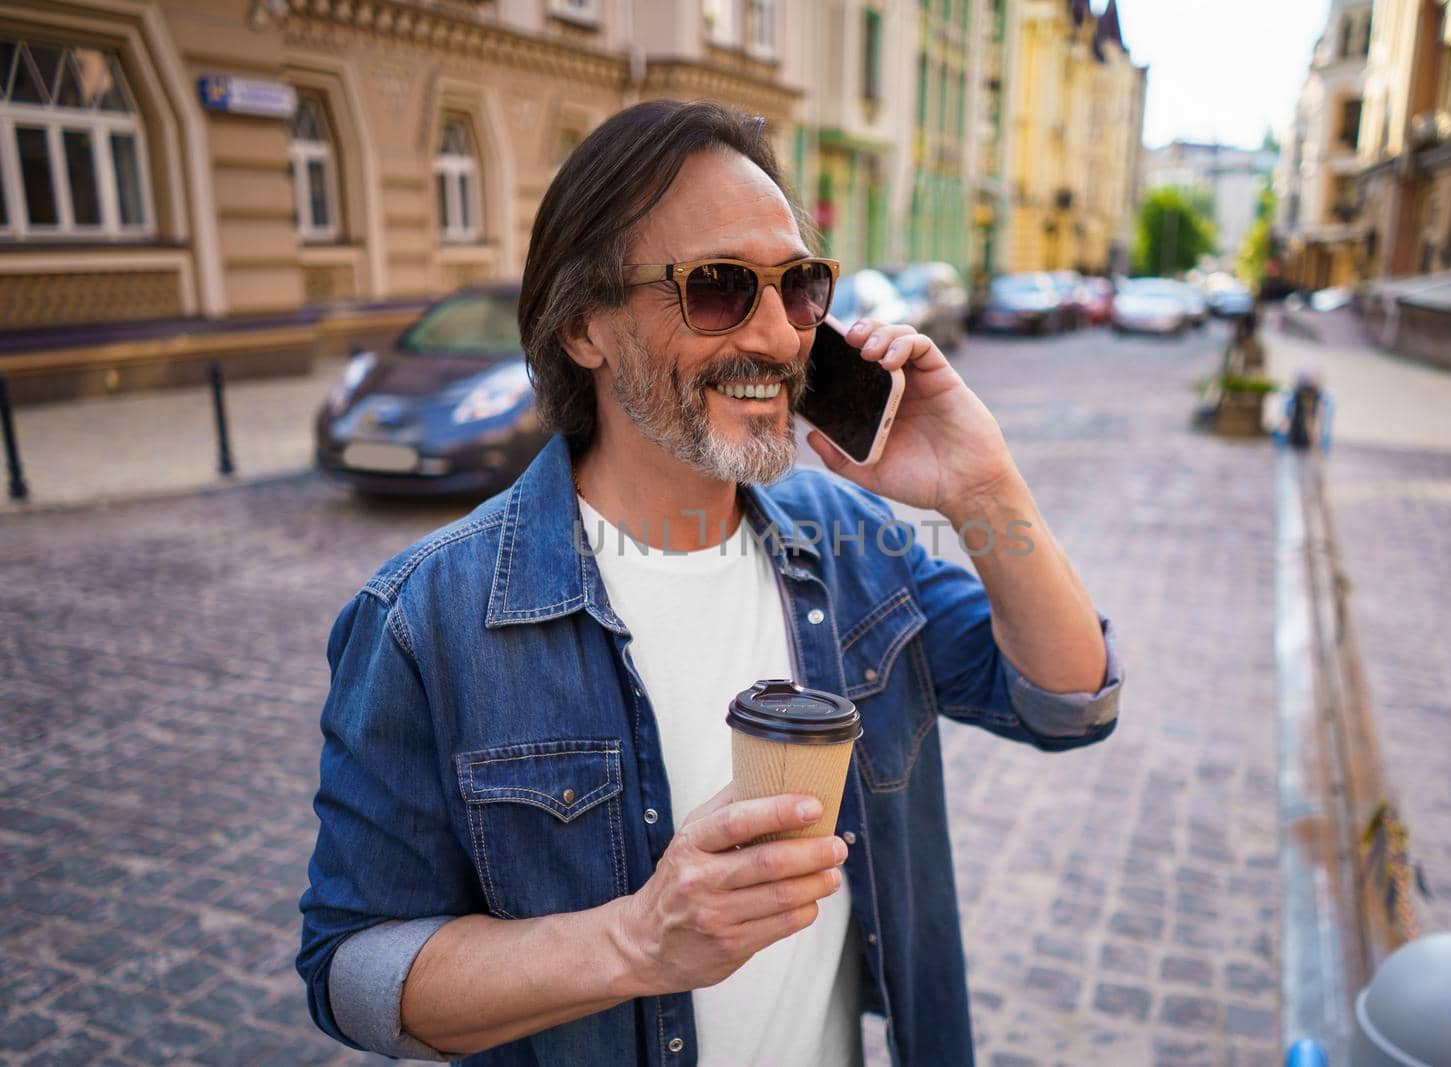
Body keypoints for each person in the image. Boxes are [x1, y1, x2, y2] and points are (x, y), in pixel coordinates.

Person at [297, 100, 1122, 1067]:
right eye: (722, 288)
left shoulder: (854, 545)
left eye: (800, 286)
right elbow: (354, 972)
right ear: (584, 327)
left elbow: (1069, 701)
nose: (779, 336)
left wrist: (982, 484)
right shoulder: (427, 618)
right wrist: (638, 942)